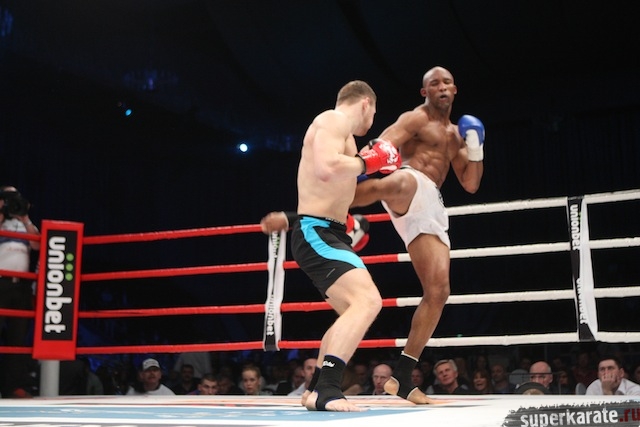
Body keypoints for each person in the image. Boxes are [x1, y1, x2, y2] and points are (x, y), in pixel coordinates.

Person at [350, 66, 485, 404]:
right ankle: (330, 205)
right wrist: (359, 167)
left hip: (431, 205)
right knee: (396, 181)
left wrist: (476, 145)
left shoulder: (456, 136)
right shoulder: (416, 118)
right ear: (425, 92)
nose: (441, 87)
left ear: (455, 89)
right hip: (410, 180)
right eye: (434, 83)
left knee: (438, 292)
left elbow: (470, 183)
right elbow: (382, 144)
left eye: (447, 82)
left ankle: (401, 377)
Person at [287, 80, 401, 412]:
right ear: (366, 103)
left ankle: (314, 390)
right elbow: (326, 169)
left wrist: (367, 165)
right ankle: (328, 390)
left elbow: (338, 186)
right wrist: (369, 163)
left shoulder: (345, 138)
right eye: (374, 113)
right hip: (316, 230)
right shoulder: (332, 119)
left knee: (352, 309)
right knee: (368, 301)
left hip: (330, 232)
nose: (373, 121)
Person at [0, 185, 40, 397]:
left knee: (18, 338)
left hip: (21, 286)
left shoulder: (25, 223)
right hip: (1, 282)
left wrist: (24, 218)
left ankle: (12, 387)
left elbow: (37, 246)